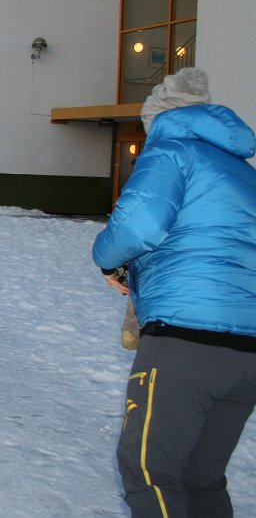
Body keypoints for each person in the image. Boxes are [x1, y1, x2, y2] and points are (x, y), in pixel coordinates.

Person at [92, 68, 256, 517]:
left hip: (186, 342)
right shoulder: (242, 171)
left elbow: (140, 225)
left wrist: (106, 258)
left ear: (158, 117)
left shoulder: (172, 151)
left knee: (149, 471)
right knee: (201, 479)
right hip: (246, 350)